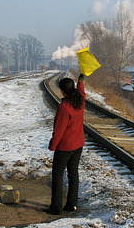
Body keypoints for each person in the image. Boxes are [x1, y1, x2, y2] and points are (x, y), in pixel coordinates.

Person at [45, 73, 86, 215]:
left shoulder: (64, 107)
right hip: (78, 144)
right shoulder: (80, 100)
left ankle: (56, 207)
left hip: (65, 147)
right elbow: (81, 91)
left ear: (63, 91)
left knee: (57, 175)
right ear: (73, 88)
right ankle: (72, 205)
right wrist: (81, 81)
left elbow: (59, 130)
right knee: (73, 174)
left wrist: (52, 145)